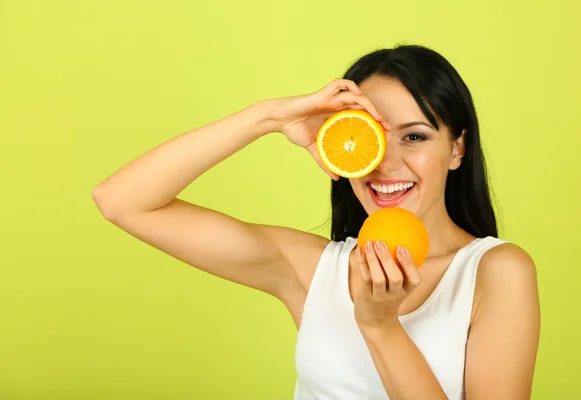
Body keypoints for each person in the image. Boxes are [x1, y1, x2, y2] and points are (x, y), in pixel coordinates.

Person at [92, 44, 540, 400]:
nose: (384, 162)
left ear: (457, 149)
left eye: (414, 136)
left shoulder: (496, 272)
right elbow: (121, 201)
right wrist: (268, 117)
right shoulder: (312, 268)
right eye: (367, 135)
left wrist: (381, 327)